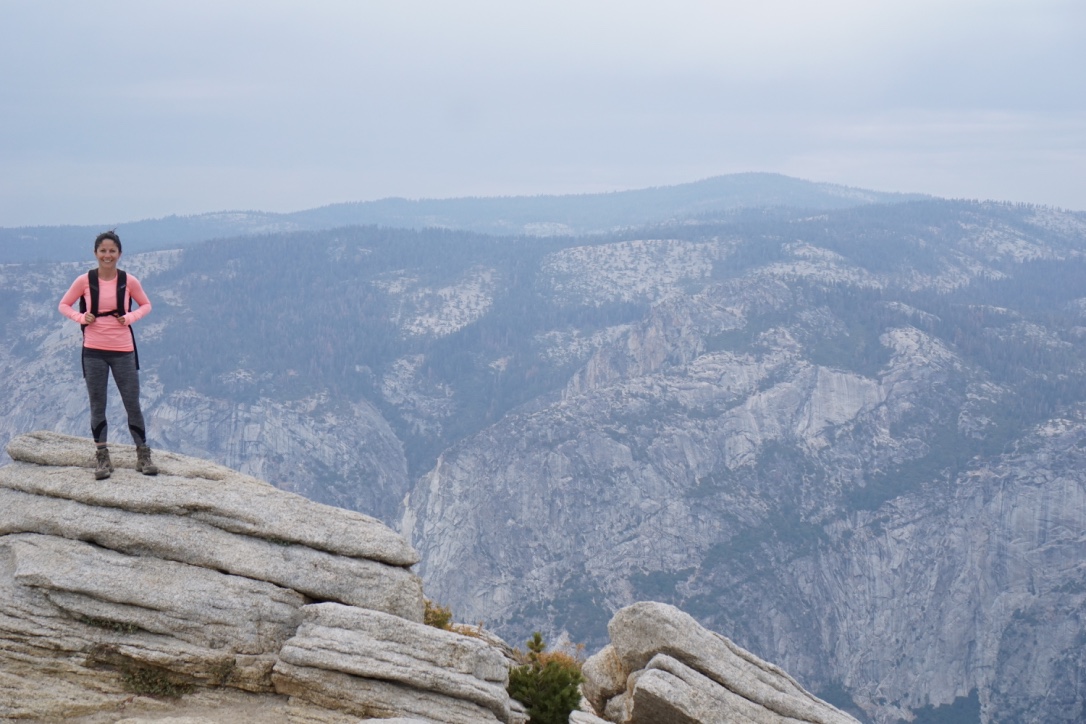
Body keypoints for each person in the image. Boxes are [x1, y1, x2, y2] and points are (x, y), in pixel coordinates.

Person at [58, 230, 158, 479]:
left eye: (112, 251)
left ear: (119, 254)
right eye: (103, 250)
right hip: (93, 351)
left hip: (123, 350)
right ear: (95, 253)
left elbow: (146, 305)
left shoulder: (128, 281)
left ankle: (142, 455)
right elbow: (63, 305)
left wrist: (130, 317)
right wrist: (81, 318)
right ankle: (102, 457)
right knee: (97, 404)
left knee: (132, 403)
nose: (107, 255)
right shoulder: (84, 281)